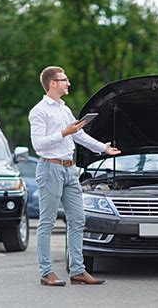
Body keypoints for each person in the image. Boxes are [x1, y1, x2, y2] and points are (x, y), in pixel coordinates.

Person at [29, 66, 121, 286]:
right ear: (53, 83)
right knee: (47, 222)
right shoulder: (39, 111)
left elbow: (78, 134)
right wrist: (64, 132)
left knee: (78, 219)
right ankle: (46, 272)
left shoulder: (64, 109)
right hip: (50, 168)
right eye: (64, 80)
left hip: (71, 169)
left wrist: (103, 148)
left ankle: (78, 271)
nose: (68, 83)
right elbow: (38, 145)